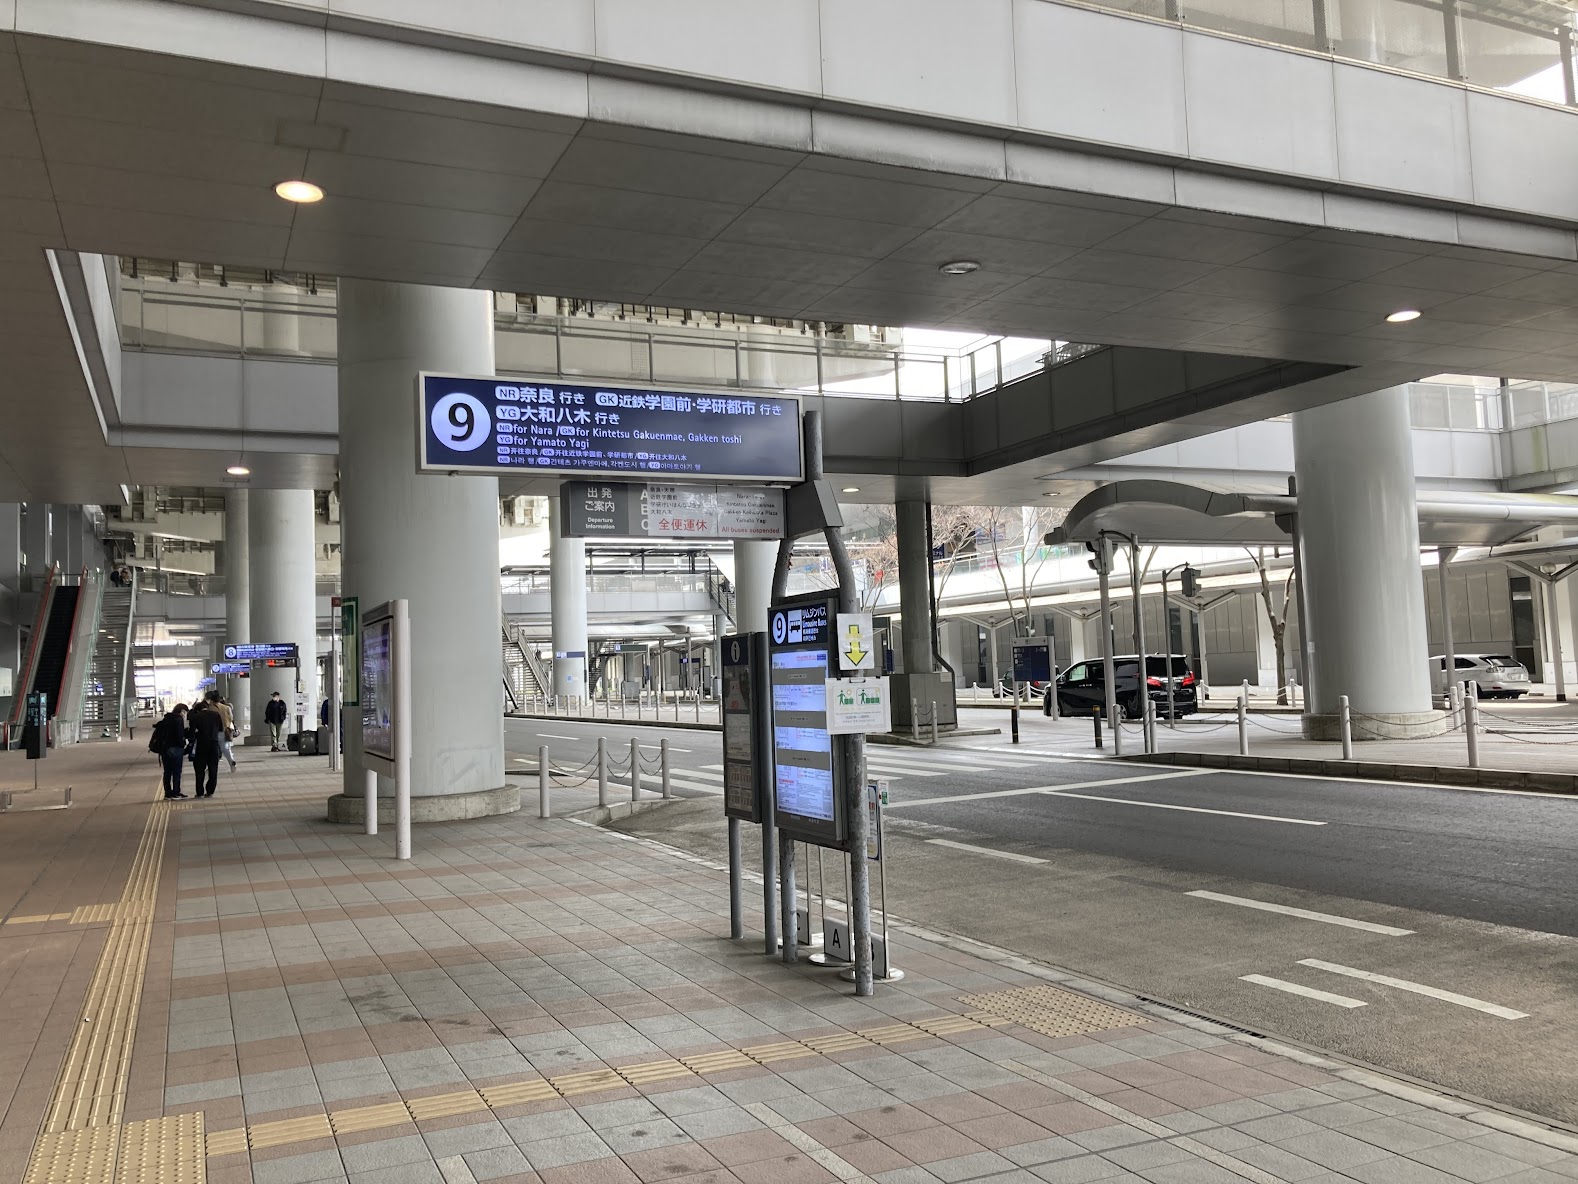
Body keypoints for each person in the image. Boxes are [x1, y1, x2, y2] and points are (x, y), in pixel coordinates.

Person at [187, 697, 225, 797]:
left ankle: (199, 792)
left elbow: (191, 734)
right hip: (214, 744)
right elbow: (221, 728)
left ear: (197, 710)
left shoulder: (196, 717)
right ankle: (210, 791)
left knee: (199, 769)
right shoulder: (216, 715)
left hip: (201, 745)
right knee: (213, 768)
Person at [150, 703, 189, 799]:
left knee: (167, 771)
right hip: (175, 748)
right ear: (182, 711)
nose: (185, 715)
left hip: (165, 749)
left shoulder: (167, 719)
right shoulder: (178, 719)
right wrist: (183, 745)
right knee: (176, 772)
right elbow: (179, 735)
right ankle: (176, 792)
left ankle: (167, 793)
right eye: (185, 712)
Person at [208, 692, 237, 771]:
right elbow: (231, 718)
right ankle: (231, 761)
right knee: (225, 748)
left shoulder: (210, 709)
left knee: (214, 749)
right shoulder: (227, 707)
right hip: (225, 730)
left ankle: (211, 766)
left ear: (212, 700)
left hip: (214, 731)